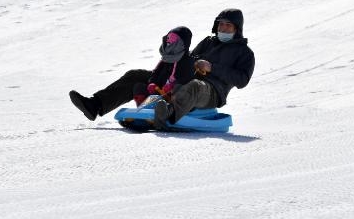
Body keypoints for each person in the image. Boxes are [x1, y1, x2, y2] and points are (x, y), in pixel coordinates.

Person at [69, 8, 255, 129]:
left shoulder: (244, 53)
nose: (223, 28)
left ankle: (167, 115)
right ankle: (95, 105)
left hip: (211, 91)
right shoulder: (208, 41)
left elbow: (242, 80)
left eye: (228, 25)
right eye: (221, 24)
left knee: (196, 86)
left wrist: (212, 68)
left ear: (237, 28)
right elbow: (190, 58)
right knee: (136, 75)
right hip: (186, 79)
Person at [130, 26, 195, 107]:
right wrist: (152, 83)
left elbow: (186, 79)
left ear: (182, 43)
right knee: (139, 87)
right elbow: (156, 73)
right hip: (158, 93)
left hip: (171, 98)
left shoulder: (187, 61)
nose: (168, 41)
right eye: (168, 37)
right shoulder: (166, 59)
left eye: (173, 39)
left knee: (177, 92)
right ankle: (142, 109)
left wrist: (172, 86)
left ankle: (161, 112)